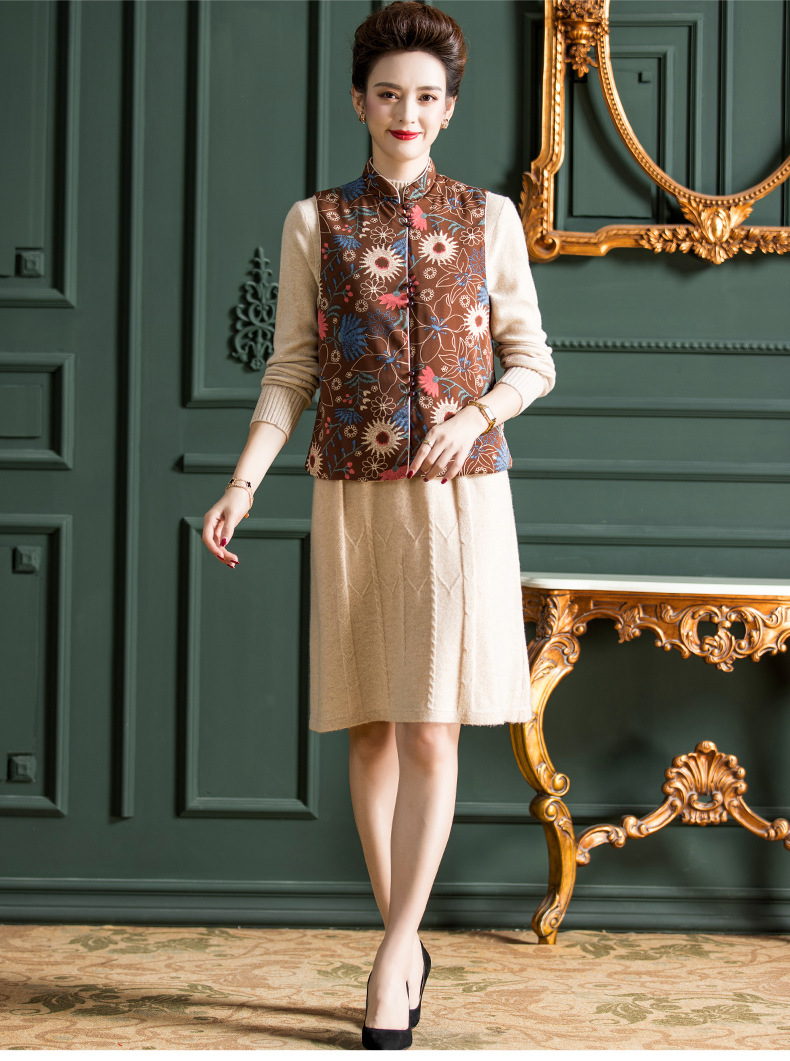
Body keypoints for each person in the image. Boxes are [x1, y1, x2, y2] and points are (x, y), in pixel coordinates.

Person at [202, 0, 555, 1048]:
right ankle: (400, 941)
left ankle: (396, 948)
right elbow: (292, 371)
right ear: (359, 101)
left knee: (430, 726)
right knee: (368, 724)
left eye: (427, 97)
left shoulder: (489, 219)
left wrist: (477, 415)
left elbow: (533, 361)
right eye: (389, 93)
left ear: (449, 110)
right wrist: (243, 483)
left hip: (457, 503)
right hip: (353, 497)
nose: (408, 111)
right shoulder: (314, 222)